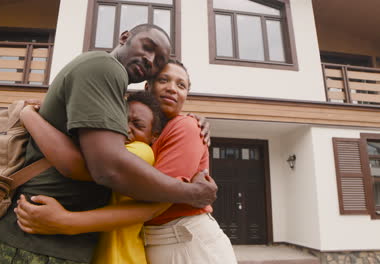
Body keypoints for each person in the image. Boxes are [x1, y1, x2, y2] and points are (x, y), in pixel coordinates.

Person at [0, 24, 217, 264]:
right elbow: (107, 168)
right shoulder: (106, 69)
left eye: (158, 61)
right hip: (39, 242)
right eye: (147, 47)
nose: (149, 59)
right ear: (124, 36)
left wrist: (28, 114)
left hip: (54, 239)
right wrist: (193, 192)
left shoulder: (168, 124)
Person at [15, 60, 238, 264]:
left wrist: (66, 221)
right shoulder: (144, 134)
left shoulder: (184, 127)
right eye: (164, 80)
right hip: (160, 240)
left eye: (182, 85)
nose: (172, 88)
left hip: (187, 240)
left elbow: (158, 203)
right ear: (147, 87)